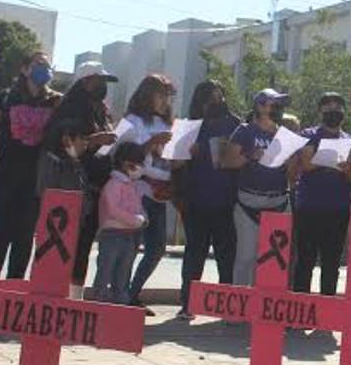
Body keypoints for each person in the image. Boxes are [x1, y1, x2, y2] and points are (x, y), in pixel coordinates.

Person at [0, 51, 61, 279]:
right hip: (4, 175)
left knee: (24, 238)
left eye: (47, 65)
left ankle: (14, 288)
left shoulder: (55, 101)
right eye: (38, 64)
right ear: (25, 69)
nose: (44, 69)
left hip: (35, 179)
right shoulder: (6, 97)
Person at [42, 62, 117, 298]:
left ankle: (75, 297)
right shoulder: (70, 109)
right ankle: (52, 294)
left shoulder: (100, 111)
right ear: (85, 81)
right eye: (98, 80)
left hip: (94, 186)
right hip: (70, 187)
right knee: (62, 244)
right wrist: (95, 140)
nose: (103, 85)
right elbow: (63, 147)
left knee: (84, 246)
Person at [177, 80, 240, 319]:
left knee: (226, 254)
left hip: (227, 199)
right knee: (195, 252)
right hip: (196, 198)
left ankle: (226, 305)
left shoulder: (235, 124)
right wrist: (187, 152)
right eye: (210, 98)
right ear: (200, 102)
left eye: (219, 96)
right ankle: (188, 304)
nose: (216, 102)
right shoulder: (189, 126)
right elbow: (175, 162)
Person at [118, 75, 176, 313]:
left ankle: (132, 292)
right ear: (147, 94)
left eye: (168, 96)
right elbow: (117, 154)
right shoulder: (131, 121)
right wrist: (151, 143)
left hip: (160, 192)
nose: (165, 101)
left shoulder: (167, 124)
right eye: (160, 95)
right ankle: (120, 295)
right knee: (131, 246)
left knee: (157, 247)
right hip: (137, 190)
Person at [225, 88, 293, 287]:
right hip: (249, 201)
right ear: (260, 106)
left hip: (279, 200)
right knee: (246, 256)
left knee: (274, 260)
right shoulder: (245, 131)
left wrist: (291, 162)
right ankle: (239, 307)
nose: (278, 109)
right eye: (274, 104)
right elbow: (228, 161)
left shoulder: (285, 135)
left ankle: (264, 307)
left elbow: (293, 174)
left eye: (280, 105)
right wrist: (249, 155)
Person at [292, 92, 351, 296]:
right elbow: (307, 164)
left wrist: (348, 168)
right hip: (309, 207)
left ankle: (326, 312)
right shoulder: (308, 135)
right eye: (328, 108)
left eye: (338, 108)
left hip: (338, 209)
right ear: (320, 111)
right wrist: (324, 159)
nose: (333, 111)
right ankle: (300, 310)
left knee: (331, 263)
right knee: (305, 261)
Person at [91, 143, 148, 304]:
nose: (141, 167)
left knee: (122, 276)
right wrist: (136, 220)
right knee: (105, 272)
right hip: (111, 235)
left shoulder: (131, 185)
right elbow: (113, 209)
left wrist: (143, 217)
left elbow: (137, 206)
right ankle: (99, 304)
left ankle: (121, 306)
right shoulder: (113, 184)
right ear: (125, 163)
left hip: (129, 236)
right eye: (138, 163)